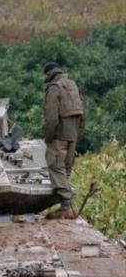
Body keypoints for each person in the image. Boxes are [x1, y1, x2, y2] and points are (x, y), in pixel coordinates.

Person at [43, 62, 84, 219]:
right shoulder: (72, 85)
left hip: (59, 135)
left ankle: (66, 206)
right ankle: (69, 207)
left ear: (49, 75)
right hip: (72, 134)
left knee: (55, 165)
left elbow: (51, 117)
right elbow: (82, 112)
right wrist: (77, 132)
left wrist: (49, 137)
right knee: (66, 168)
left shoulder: (54, 88)